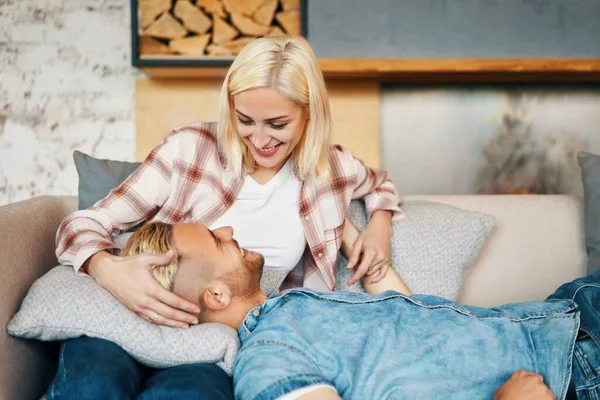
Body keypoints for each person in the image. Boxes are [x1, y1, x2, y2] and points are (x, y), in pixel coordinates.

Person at [50, 36, 404, 398]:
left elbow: (381, 186)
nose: (260, 139)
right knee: (92, 387)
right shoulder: (191, 149)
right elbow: (81, 224)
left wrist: (380, 224)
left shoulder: (330, 169)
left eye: (277, 124)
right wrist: (106, 269)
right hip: (125, 319)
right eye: (245, 120)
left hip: (210, 343)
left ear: (308, 112)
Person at [120, 220, 599, 400]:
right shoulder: (267, 357)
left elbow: (408, 318)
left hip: (570, 310)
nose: (226, 229)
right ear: (216, 296)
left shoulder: (292, 306)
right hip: (573, 372)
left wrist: (351, 232)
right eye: (214, 239)